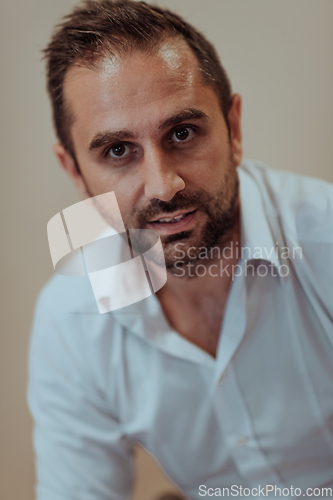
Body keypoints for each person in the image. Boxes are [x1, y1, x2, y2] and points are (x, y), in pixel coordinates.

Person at [28, 1, 333, 499]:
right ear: (74, 173)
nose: (162, 186)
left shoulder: (324, 244)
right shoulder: (72, 318)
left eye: (183, 133)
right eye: (118, 151)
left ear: (233, 130)